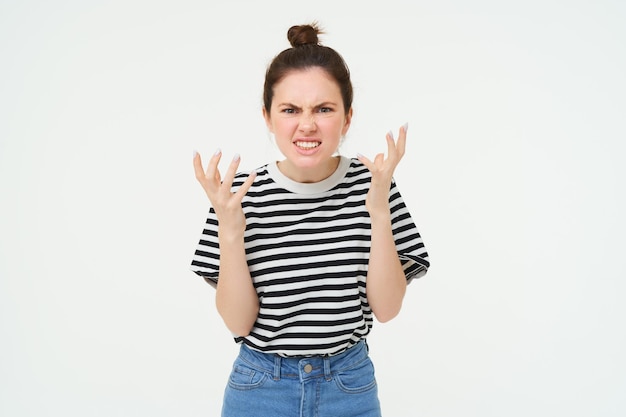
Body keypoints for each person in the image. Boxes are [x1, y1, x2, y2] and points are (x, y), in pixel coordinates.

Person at [190, 22, 429, 417]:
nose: (307, 124)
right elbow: (239, 322)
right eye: (290, 110)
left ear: (347, 118)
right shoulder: (240, 197)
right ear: (267, 117)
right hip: (260, 388)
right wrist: (230, 233)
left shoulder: (375, 185)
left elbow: (386, 309)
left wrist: (379, 210)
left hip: (348, 386)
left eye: (324, 109)